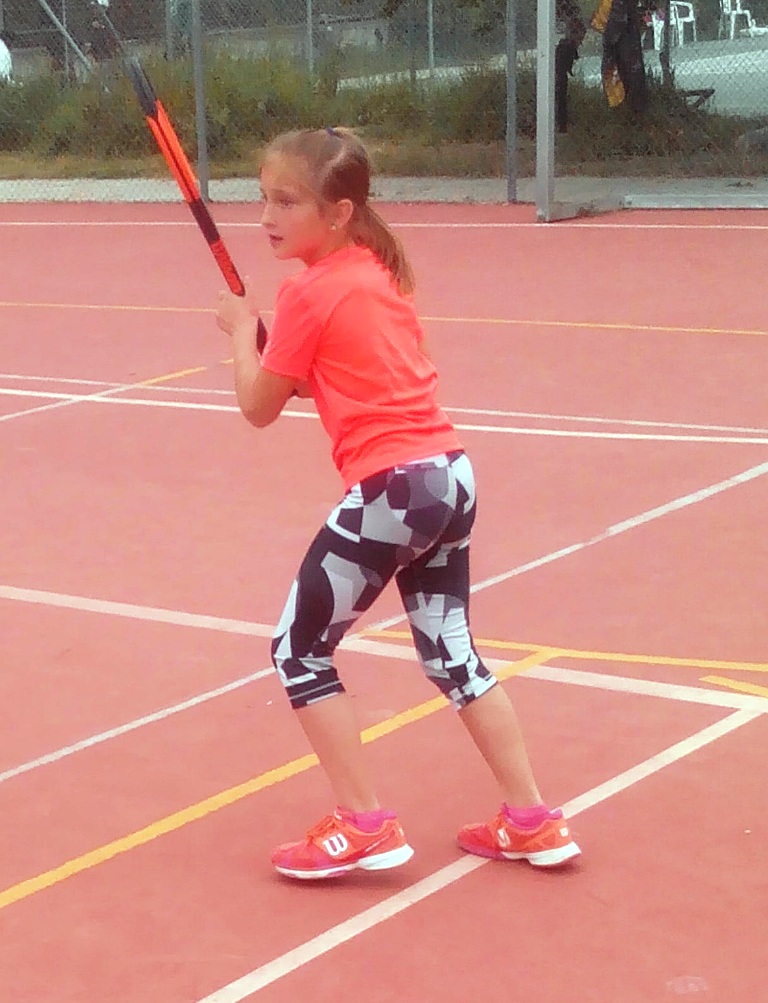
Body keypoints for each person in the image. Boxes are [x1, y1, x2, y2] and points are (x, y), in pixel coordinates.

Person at [215, 128, 582, 881]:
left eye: (287, 202)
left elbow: (258, 406)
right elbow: (327, 380)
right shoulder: (375, 273)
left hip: (394, 487)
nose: (268, 217)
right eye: (264, 199)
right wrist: (278, 352)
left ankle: (365, 824)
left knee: (298, 649)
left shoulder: (306, 291)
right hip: (448, 478)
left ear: (338, 212)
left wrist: (242, 337)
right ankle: (531, 819)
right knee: (452, 653)